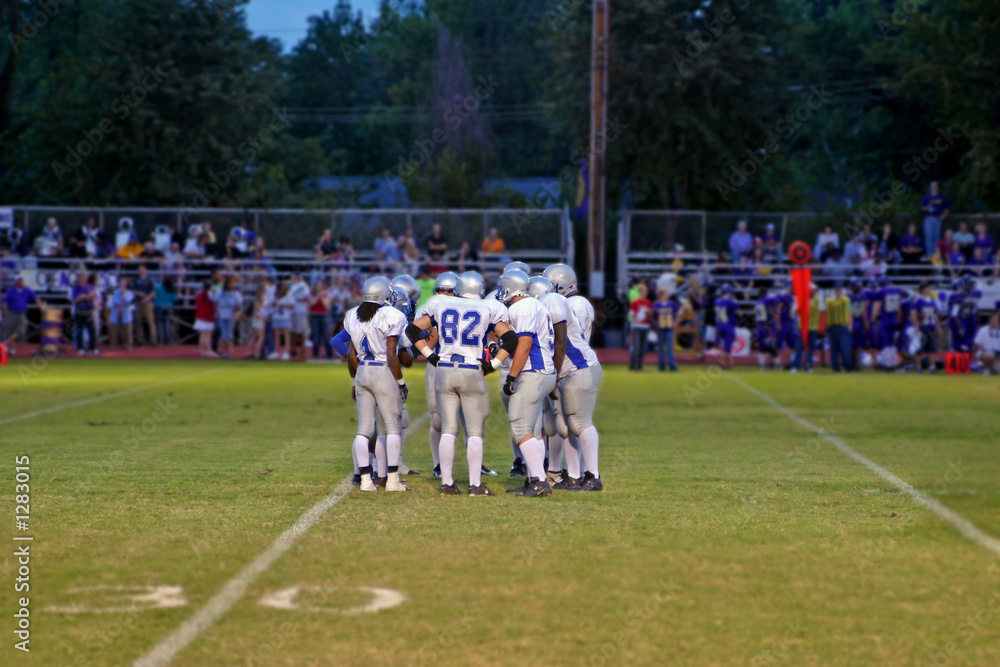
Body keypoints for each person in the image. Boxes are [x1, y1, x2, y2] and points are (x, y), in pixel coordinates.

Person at [408, 272, 515, 496]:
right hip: (471, 370)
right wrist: (493, 365)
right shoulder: (489, 307)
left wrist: (429, 355)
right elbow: (511, 339)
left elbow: (413, 330)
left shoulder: (440, 301)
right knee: (474, 431)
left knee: (448, 430)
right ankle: (475, 485)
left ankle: (447, 483)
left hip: (444, 369)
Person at [490, 269, 557, 497]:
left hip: (532, 372)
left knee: (519, 428)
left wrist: (511, 376)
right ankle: (532, 478)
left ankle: (539, 481)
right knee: (533, 430)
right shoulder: (535, 305)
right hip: (544, 372)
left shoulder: (523, 307)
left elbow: (525, 345)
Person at [542, 263, 604, 491]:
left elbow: (562, 340)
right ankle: (574, 475)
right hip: (570, 366)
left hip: (577, 366)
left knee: (580, 422)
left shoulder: (573, 303)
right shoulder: (572, 302)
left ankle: (593, 475)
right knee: (565, 425)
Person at [344, 276, 410, 493]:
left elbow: (351, 356)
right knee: (392, 427)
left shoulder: (353, 315)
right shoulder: (392, 315)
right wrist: (401, 382)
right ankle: (392, 480)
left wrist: (355, 381)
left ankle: (365, 481)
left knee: (364, 429)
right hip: (382, 370)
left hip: (362, 371)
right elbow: (392, 355)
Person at [2, 275, 44, 356]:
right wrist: (6, 313)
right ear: (15, 281)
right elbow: (5, 302)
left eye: (21, 280)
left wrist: (41, 306)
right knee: (9, 331)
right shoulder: (11, 291)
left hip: (21, 314)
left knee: (21, 331)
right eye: (18, 280)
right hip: (11, 313)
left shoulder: (27, 290)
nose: (20, 282)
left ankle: (5, 343)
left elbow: (36, 297)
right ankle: (12, 349)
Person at [211, 276, 243, 359]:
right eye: (231, 283)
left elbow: (238, 306)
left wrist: (235, 313)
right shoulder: (220, 293)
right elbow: (214, 302)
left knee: (228, 335)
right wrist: (217, 312)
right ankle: (224, 351)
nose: (233, 285)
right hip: (221, 316)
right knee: (224, 334)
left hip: (230, 316)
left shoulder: (236, 294)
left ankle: (226, 350)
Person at [912, 282, 940, 372]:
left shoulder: (932, 300)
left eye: (929, 288)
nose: (928, 290)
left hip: (931, 327)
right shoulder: (918, 300)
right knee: (919, 349)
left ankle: (932, 366)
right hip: (922, 327)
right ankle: (918, 366)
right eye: (927, 288)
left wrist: (938, 326)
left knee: (931, 348)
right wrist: (916, 325)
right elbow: (913, 313)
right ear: (922, 290)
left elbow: (936, 315)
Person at [921, 181, 952, 257]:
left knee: (936, 237)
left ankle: (936, 255)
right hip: (929, 218)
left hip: (937, 219)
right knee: (929, 236)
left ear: (937, 188)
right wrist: (927, 207)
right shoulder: (926, 197)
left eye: (935, 186)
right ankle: (930, 255)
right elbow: (922, 208)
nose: (934, 188)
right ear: (930, 188)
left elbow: (948, 207)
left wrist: (944, 215)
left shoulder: (941, 197)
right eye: (932, 186)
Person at [651, 288, 680, 372]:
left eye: (667, 294)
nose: (666, 296)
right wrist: (655, 323)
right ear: (660, 295)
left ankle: (672, 365)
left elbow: (679, 312)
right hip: (660, 328)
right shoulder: (656, 304)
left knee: (669, 348)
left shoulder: (672, 304)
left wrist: (675, 322)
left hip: (669, 328)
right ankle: (661, 366)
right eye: (664, 294)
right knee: (661, 348)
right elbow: (652, 315)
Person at [71, 273, 99, 355]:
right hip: (80, 310)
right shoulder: (76, 288)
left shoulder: (90, 286)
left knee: (92, 330)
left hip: (89, 310)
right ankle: (80, 348)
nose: (84, 279)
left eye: (85, 277)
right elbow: (76, 299)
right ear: (79, 278)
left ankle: (93, 348)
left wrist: (84, 297)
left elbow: (94, 296)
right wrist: (86, 296)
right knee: (79, 330)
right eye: (82, 277)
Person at [826, 283, 852, 372]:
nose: (838, 291)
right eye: (836, 290)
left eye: (839, 290)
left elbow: (850, 312)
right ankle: (835, 367)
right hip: (833, 326)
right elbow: (827, 314)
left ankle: (847, 366)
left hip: (843, 326)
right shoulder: (829, 301)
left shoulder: (847, 300)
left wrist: (850, 325)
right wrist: (827, 325)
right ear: (834, 291)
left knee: (845, 348)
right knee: (834, 349)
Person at [628, 282, 652, 371]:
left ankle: (640, 365)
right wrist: (636, 320)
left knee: (643, 347)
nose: (644, 293)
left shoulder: (648, 302)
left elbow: (649, 314)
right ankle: (632, 364)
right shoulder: (635, 302)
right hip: (637, 327)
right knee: (637, 346)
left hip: (645, 326)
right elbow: (631, 314)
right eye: (643, 291)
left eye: (645, 291)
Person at [714, 284, 738, 370]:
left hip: (720, 325)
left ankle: (726, 364)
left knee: (724, 346)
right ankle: (724, 364)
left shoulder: (717, 301)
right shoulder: (730, 302)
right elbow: (739, 312)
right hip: (728, 325)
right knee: (727, 347)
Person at [753, 288, 778, 371]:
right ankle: (777, 366)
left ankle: (762, 366)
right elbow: (774, 301)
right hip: (765, 326)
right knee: (771, 347)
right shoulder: (765, 301)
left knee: (762, 347)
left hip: (758, 326)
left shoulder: (758, 302)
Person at [131, 264, 157, 346]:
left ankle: (153, 340)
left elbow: (153, 292)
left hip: (147, 303)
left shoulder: (150, 280)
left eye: (142, 269)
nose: (140, 271)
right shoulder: (136, 279)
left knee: (150, 322)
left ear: (145, 270)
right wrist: (139, 293)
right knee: (138, 322)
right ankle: (140, 340)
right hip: (138, 302)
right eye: (139, 269)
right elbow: (132, 290)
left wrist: (147, 298)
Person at [308, 279, 333, 360]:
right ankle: (315, 355)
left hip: (323, 316)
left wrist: (322, 296)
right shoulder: (311, 294)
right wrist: (318, 296)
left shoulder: (325, 294)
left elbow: (327, 305)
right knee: (316, 337)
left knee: (326, 336)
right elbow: (312, 303)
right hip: (314, 316)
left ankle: (330, 355)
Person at [108, 278, 135, 350]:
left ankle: (128, 344)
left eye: (124, 283)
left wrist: (123, 295)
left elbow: (128, 301)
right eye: (121, 283)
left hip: (125, 313)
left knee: (127, 329)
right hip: (116, 312)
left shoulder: (129, 293)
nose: (122, 285)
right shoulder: (116, 292)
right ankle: (113, 344)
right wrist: (122, 301)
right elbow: (115, 301)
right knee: (114, 329)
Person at [288, 274, 310, 359]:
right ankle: (293, 349)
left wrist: (297, 300)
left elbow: (307, 298)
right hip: (293, 311)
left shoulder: (303, 286)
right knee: (293, 331)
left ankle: (302, 349)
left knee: (301, 331)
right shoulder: (293, 286)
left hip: (300, 311)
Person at [270, 280, 293, 360]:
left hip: (285, 317)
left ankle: (286, 352)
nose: (283, 289)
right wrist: (274, 304)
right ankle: (277, 352)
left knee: (286, 335)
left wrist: (285, 305)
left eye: (284, 287)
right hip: (276, 317)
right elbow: (271, 305)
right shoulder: (276, 295)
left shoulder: (289, 295)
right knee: (277, 335)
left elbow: (292, 306)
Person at [193, 281, 217, 358]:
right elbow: (214, 304)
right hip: (208, 316)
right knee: (208, 335)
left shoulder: (199, 293)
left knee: (203, 334)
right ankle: (208, 350)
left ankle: (202, 350)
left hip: (200, 315)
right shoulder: (210, 294)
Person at [154, 276, 178, 345]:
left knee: (159, 324)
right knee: (167, 323)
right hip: (168, 306)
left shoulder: (158, 287)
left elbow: (154, 294)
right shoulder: (172, 288)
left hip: (159, 306)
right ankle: (167, 341)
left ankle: (158, 340)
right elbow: (175, 299)